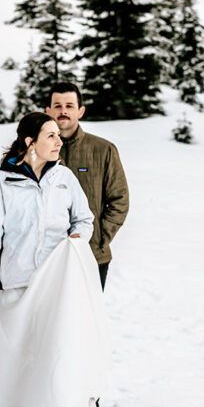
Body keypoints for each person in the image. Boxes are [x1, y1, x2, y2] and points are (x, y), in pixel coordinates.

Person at [0, 112, 111, 407]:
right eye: (50, 135)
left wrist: (75, 242)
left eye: (57, 135)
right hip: (15, 284)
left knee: (51, 360)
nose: (58, 140)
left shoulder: (64, 179)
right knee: (16, 364)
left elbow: (84, 219)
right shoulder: (3, 182)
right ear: (30, 141)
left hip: (55, 284)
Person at [46, 82, 129, 290]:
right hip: (46, 258)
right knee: (50, 321)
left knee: (88, 319)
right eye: (57, 106)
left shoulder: (103, 150)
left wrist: (99, 238)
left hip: (92, 256)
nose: (63, 111)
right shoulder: (36, 151)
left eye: (69, 106)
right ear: (48, 111)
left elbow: (119, 200)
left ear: (80, 111)